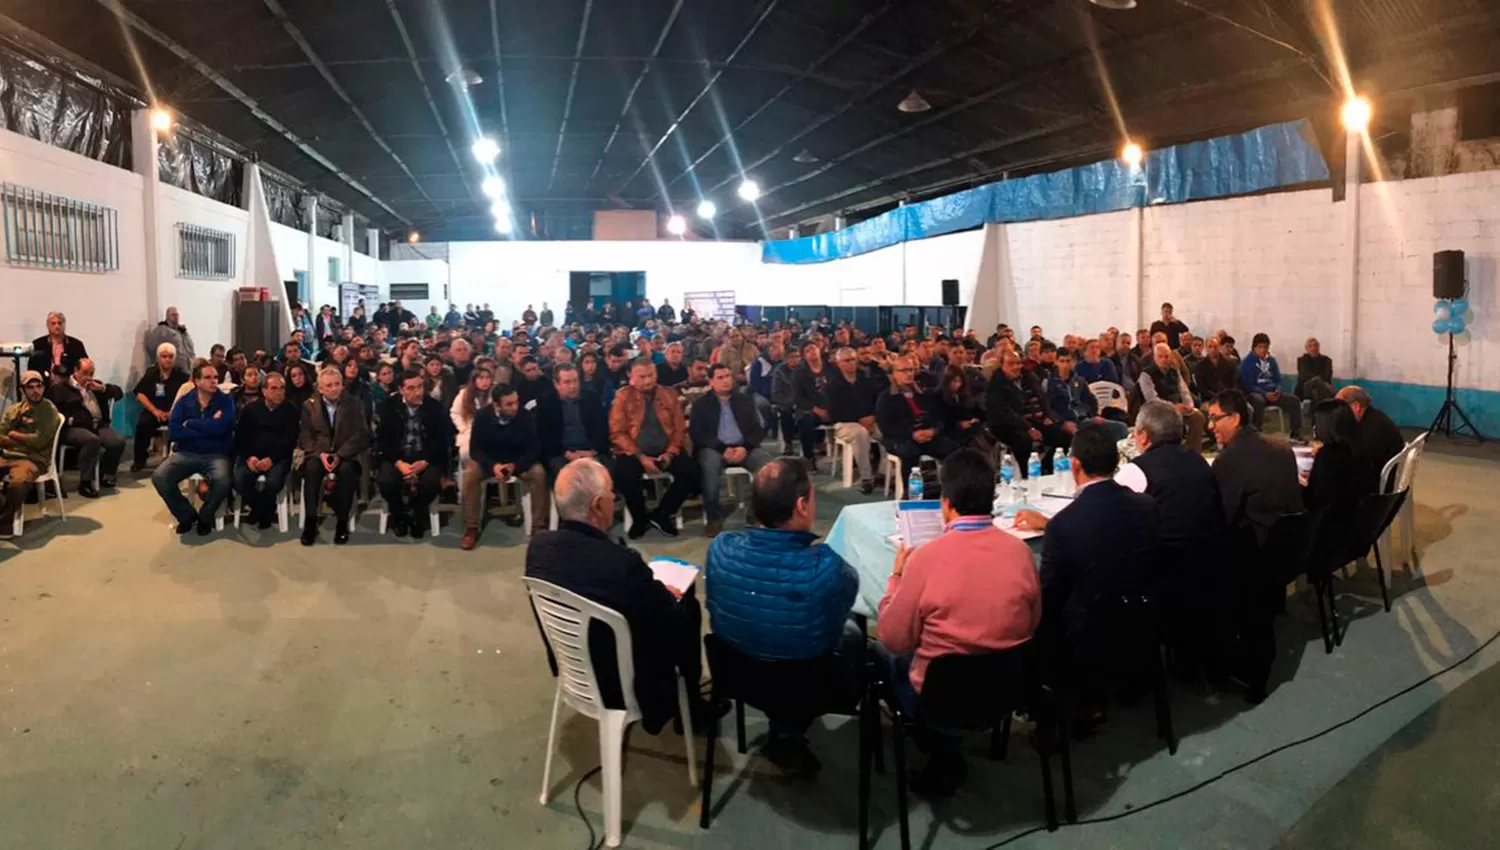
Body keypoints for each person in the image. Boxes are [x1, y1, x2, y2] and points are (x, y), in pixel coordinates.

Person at [877, 449, 1042, 795]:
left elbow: (893, 637)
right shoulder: (1021, 553)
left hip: (940, 699)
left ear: (946, 504)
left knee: (885, 652)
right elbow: (1032, 622)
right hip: (1007, 689)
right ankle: (945, 748)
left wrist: (896, 577)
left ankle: (934, 743)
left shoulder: (926, 559)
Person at [525, 457, 712, 738]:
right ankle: (691, 706)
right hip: (623, 682)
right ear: (598, 505)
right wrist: (668, 597)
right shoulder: (621, 563)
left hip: (574, 668)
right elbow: (667, 621)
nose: (615, 499)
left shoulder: (538, 549)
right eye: (613, 493)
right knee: (687, 606)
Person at [705, 457, 859, 775]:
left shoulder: (720, 549)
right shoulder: (828, 569)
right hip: (811, 687)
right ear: (802, 506)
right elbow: (838, 618)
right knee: (854, 631)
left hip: (738, 678)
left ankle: (785, 731)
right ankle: (789, 731)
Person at [1015, 425, 1159, 725]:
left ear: (1075, 465)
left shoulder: (1065, 525)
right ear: (1116, 463)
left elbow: (1049, 600)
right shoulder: (1146, 506)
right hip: (1142, 616)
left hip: (1088, 633)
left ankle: (1054, 707)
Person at [1113, 401, 1228, 662]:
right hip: (1208, 566)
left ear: (1143, 436)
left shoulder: (1136, 470)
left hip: (1163, 575)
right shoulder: (1199, 460)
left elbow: (1105, 515)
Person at [610, 357, 700, 540]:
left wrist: (670, 452)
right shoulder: (622, 396)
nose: (648, 380)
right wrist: (641, 456)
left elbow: (679, 429)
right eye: (642, 376)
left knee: (692, 471)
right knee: (624, 474)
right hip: (634, 451)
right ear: (631, 377)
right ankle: (640, 518)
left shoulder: (668, 394)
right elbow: (617, 433)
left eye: (651, 375)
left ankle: (663, 513)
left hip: (666, 449)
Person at [1207, 389, 1302, 545]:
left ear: (1235, 419)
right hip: (1295, 544)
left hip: (1256, 551)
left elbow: (1224, 516)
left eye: (1214, 418)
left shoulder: (1228, 459)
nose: (1210, 426)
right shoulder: (1283, 448)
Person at [153, 361, 235, 536]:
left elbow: (221, 430)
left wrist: (191, 424)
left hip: (216, 454)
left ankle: (206, 516)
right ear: (197, 381)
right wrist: (209, 427)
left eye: (215, 377)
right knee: (160, 477)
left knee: (222, 481)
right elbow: (175, 432)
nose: (214, 381)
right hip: (186, 453)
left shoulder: (225, 401)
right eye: (208, 378)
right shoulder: (184, 401)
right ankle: (186, 516)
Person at [462, 383, 549, 549]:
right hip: (490, 461)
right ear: (496, 405)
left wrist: (515, 466)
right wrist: (492, 466)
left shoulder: (525, 416)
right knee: (469, 474)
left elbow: (534, 448)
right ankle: (471, 527)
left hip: (517, 460)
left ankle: (538, 526)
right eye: (509, 404)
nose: (515, 407)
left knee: (538, 473)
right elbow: (475, 449)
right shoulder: (482, 416)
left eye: (516, 402)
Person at [690, 364, 773, 538]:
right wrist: (722, 449)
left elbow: (757, 429)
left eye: (728, 376)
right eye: (720, 377)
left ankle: (754, 514)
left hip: (744, 447)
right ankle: (713, 518)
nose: (726, 380)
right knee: (709, 466)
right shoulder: (701, 404)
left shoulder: (744, 400)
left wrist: (745, 447)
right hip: (715, 449)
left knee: (767, 466)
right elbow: (698, 434)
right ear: (711, 382)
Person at [298, 367, 371, 546]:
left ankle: (342, 523)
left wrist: (340, 454)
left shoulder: (354, 403)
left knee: (347, 472)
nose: (334, 388)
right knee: (312, 470)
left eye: (337, 384)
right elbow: (305, 435)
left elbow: (361, 434)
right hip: (319, 453)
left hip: (346, 453)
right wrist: (320, 454)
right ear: (320, 388)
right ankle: (311, 522)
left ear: (342, 385)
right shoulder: (309, 405)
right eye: (329, 385)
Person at [375, 370, 452, 539]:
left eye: (419, 387)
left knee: (431, 482)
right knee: (385, 481)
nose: (417, 392)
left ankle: (418, 513)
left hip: (425, 456)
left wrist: (425, 460)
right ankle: (399, 514)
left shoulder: (434, 407)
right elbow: (383, 441)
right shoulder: (389, 406)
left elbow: (441, 441)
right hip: (398, 456)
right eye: (410, 388)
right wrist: (398, 462)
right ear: (401, 390)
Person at [232, 372, 299, 530]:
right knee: (238, 480)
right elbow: (241, 436)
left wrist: (272, 459)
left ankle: (260, 511)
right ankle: (264, 509)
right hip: (252, 456)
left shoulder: (291, 410)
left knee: (274, 482)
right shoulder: (251, 410)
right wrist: (250, 457)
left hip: (278, 457)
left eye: (282, 388)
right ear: (264, 391)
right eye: (274, 388)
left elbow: (290, 440)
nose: (278, 392)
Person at [47, 358, 124, 496]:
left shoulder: (95, 386)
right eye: (85, 373)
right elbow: (54, 411)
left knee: (117, 441)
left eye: (91, 373)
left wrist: (102, 389)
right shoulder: (61, 388)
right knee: (91, 440)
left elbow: (119, 393)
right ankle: (86, 482)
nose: (88, 377)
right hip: (73, 428)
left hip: (97, 426)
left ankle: (105, 474)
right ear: (75, 371)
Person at [0, 372, 62, 537]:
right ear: (23, 390)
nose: (35, 391)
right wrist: (20, 440)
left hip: (33, 459)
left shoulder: (48, 410)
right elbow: (0, 435)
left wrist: (13, 435)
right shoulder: (15, 409)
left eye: (39, 386)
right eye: (30, 387)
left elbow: (39, 441)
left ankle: (5, 523)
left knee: (18, 484)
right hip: (7, 455)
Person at [878, 354, 959, 481]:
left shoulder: (924, 393)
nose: (909, 374)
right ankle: (909, 493)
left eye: (911, 370)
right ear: (894, 374)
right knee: (910, 452)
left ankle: (951, 487)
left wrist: (933, 431)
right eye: (904, 371)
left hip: (926, 436)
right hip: (901, 438)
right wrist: (912, 434)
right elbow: (886, 427)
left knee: (953, 448)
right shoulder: (886, 397)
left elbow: (939, 418)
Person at [986, 350, 1067, 476]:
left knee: (1063, 435)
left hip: (1034, 419)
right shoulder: (995, 384)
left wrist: (1047, 416)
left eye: (1018, 363)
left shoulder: (1029, 377)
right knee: (1023, 440)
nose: (1016, 367)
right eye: (1011, 364)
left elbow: (1042, 398)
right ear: (1002, 365)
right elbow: (1004, 412)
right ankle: (1026, 475)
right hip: (1007, 424)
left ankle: (1047, 468)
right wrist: (1028, 428)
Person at [537, 363, 611, 479]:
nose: (572, 386)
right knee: (567, 476)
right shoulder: (546, 403)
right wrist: (566, 454)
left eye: (575, 381)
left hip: (591, 451)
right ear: (557, 384)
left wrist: (592, 452)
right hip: (561, 453)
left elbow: (602, 430)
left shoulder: (592, 398)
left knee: (604, 471)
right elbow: (546, 437)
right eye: (567, 382)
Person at [826, 347, 883, 491]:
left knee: (888, 430)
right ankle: (866, 478)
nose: (851, 363)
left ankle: (884, 472)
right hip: (844, 423)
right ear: (839, 363)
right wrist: (859, 420)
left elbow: (878, 399)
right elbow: (834, 411)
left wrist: (873, 416)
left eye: (853, 360)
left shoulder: (865, 379)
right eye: (847, 360)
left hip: (869, 420)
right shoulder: (832, 384)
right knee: (860, 434)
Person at [1047, 347, 1129, 442]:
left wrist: (1092, 416)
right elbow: (1048, 407)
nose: (1065, 365)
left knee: (1120, 427)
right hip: (1063, 421)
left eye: (1068, 361)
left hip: (1083, 419)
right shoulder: (1050, 382)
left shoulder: (1079, 380)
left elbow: (1091, 401)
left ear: (1073, 362)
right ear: (1056, 362)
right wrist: (1062, 423)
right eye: (1062, 361)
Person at [130, 342, 188, 473]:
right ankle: (139, 459)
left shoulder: (182, 375)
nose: (167, 359)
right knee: (143, 424)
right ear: (158, 358)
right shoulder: (151, 374)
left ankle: (177, 459)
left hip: (175, 412)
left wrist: (173, 412)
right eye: (164, 356)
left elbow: (187, 395)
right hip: (154, 411)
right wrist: (155, 411)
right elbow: (140, 394)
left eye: (170, 356)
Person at [1138, 343, 1208, 449]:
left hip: (1178, 408)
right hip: (1158, 411)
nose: (1163, 359)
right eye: (1160, 356)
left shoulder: (1174, 371)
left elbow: (1183, 390)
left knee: (1198, 417)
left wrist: (1189, 405)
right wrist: (1172, 407)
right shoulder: (1146, 374)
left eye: (1166, 356)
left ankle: (1191, 451)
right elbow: (1152, 399)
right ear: (1154, 357)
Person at [1335, 385, 1405, 485]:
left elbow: (1359, 463)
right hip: (1383, 477)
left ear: (1355, 407)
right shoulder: (1374, 417)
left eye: (1339, 406)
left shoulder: (1374, 428)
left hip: (1376, 487)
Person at [1239, 333, 1302, 438]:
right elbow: (1248, 385)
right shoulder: (1247, 362)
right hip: (1255, 393)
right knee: (1259, 401)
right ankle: (1256, 433)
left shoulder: (1271, 361)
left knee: (1294, 400)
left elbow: (1277, 379)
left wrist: (1278, 390)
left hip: (1273, 392)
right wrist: (1265, 394)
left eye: (1266, 347)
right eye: (1260, 347)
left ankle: (1296, 432)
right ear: (1254, 347)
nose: (1263, 350)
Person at [791, 342, 832, 468]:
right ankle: (809, 457)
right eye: (808, 350)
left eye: (814, 348)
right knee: (806, 419)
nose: (812, 351)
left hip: (832, 407)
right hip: (810, 409)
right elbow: (798, 397)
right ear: (804, 356)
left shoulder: (831, 368)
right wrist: (817, 409)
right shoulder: (800, 373)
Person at [28, 311, 88, 385]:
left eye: (60, 323)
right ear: (47, 325)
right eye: (53, 323)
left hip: (70, 387)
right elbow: (32, 370)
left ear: (64, 325)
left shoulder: (76, 345)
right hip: (45, 386)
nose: (57, 326)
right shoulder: (38, 344)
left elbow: (85, 367)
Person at [450, 366, 494, 463]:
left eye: (487, 378)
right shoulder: (464, 394)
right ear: (474, 380)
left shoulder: (494, 394)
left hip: (491, 431)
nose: (485, 381)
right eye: (481, 378)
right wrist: (462, 427)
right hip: (469, 430)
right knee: (466, 454)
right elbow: (454, 413)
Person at [770, 345, 801, 448]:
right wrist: (791, 403)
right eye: (792, 357)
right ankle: (788, 443)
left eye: (797, 356)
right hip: (785, 402)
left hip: (803, 401)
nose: (795, 359)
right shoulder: (780, 371)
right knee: (786, 412)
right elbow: (776, 393)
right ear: (786, 358)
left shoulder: (804, 369)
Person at [1193, 335, 1239, 401]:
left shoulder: (1230, 364)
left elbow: (1233, 383)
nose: (1213, 350)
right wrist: (1215, 396)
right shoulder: (1200, 366)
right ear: (1206, 348)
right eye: (1210, 347)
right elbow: (1201, 387)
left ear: (1220, 347)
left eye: (1215, 347)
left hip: (1227, 397)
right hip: (1209, 399)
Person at [1296, 337, 1335, 404]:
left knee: (1320, 385)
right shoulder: (1302, 360)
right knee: (1314, 382)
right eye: (1310, 346)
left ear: (1319, 347)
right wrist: (1317, 379)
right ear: (1307, 349)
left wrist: (1319, 381)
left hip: (1323, 387)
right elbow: (1304, 375)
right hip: (1305, 387)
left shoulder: (1327, 360)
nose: (1313, 348)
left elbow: (1327, 376)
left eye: (1315, 345)